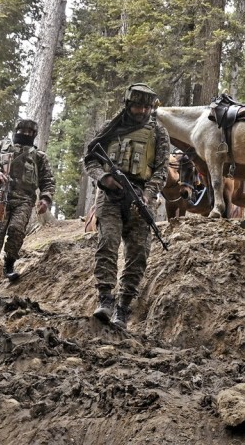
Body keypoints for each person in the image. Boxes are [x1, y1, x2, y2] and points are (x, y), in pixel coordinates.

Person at [83, 83, 170, 330]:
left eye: (146, 106)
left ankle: (123, 307)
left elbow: (162, 169)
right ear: (128, 104)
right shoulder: (110, 128)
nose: (141, 110)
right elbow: (91, 159)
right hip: (110, 196)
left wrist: (148, 193)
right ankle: (105, 298)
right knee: (107, 243)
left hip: (141, 197)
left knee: (138, 254)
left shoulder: (158, 133)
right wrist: (103, 178)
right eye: (137, 105)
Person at [0, 119, 55, 288]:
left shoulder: (39, 156)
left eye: (29, 132)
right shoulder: (1, 146)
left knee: (17, 230)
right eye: (22, 130)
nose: (25, 134)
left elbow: (47, 180)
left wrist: (45, 199)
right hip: (0, 196)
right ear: (16, 130)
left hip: (25, 200)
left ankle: (9, 263)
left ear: (34, 135)